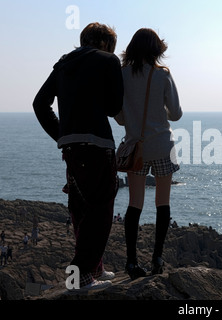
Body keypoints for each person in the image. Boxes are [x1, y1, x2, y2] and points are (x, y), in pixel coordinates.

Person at [33, 22, 124, 290]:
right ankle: (80, 277)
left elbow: (40, 104)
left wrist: (62, 134)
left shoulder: (63, 63)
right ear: (107, 44)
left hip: (71, 148)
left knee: (81, 207)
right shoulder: (108, 61)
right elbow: (113, 107)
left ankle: (95, 268)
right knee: (100, 209)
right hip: (97, 143)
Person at [115, 28, 182, 279]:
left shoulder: (122, 75)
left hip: (136, 148)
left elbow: (120, 118)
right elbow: (175, 114)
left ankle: (131, 262)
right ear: (157, 50)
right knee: (163, 203)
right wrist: (158, 114)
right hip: (164, 146)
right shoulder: (163, 75)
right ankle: (157, 258)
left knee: (135, 205)